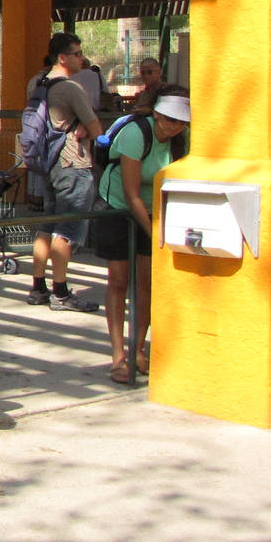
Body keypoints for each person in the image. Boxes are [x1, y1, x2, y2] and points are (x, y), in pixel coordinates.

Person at [92, 87, 190, 384]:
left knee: (146, 283)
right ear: (157, 114)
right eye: (170, 119)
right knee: (119, 280)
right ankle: (118, 355)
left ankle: (137, 349)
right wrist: (155, 235)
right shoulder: (135, 134)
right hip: (118, 207)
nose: (174, 126)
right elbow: (131, 194)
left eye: (181, 121)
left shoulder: (181, 141)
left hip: (154, 212)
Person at [25, 32, 103, 312]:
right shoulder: (70, 88)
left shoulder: (36, 83)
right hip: (72, 163)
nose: (82, 58)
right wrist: (83, 127)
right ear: (62, 57)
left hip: (46, 162)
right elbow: (96, 128)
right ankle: (60, 291)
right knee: (66, 229)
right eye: (78, 53)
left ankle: (38, 286)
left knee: (47, 224)